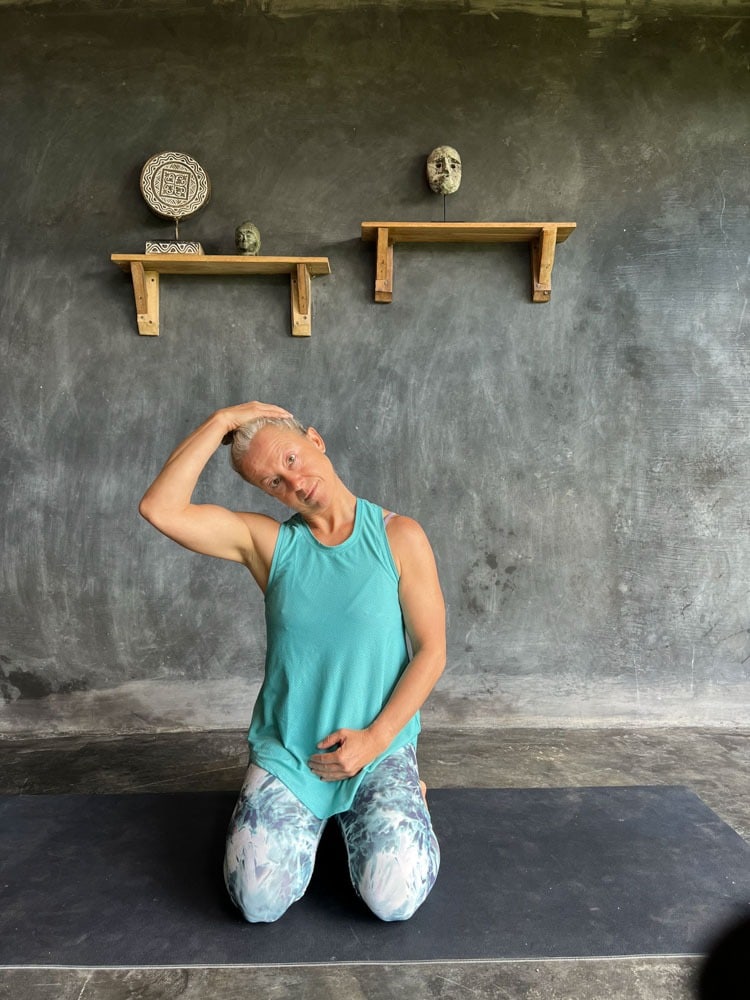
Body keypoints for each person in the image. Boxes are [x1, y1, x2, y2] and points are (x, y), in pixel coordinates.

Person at [139, 401, 446, 923]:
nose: (294, 482)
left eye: (292, 458)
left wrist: (374, 742)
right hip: (292, 753)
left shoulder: (399, 536)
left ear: (315, 440)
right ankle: (301, 810)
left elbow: (432, 651)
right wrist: (219, 423)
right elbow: (160, 509)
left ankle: (403, 788)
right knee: (256, 903)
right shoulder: (270, 545)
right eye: (274, 481)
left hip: (378, 747)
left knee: (394, 899)